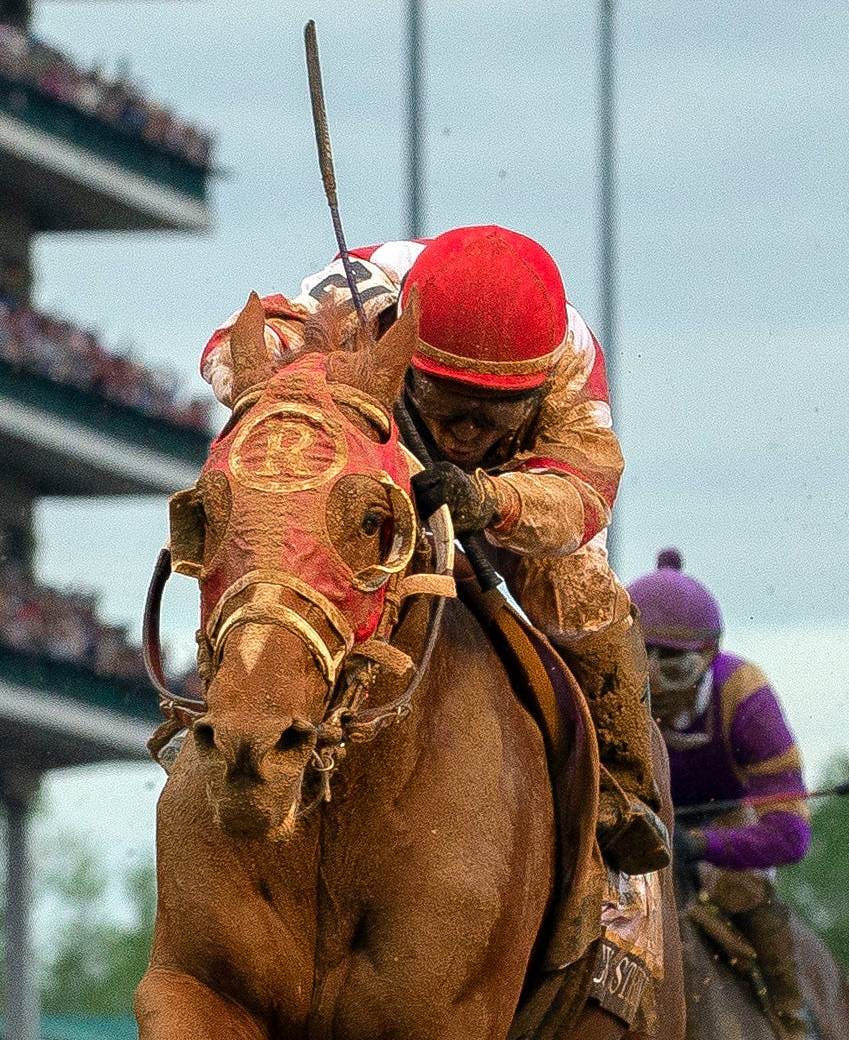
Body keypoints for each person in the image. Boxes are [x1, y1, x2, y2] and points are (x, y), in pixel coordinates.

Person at [200, 226, 669, 875]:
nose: (466, 430)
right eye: (449, 404)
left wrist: (489, 498)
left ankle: (624, 783)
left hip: (514, 495)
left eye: (492, 414)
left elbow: (584, 493)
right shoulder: (365, 291)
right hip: (374, 466)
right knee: (274, 521)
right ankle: (233, 707)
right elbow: (233, 341)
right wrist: (282, 380)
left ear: (534, 389)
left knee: (583, 589)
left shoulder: (569, 353)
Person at [629, 549, 840, 1040]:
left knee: (747, 894)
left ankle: (797, 1038)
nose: (651, 682)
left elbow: (791, 835)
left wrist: (698, 847)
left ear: (709, 656)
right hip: (634, 818)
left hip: (720, 829)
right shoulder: (600, 683)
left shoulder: (745, 699)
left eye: (670, 665)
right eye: (637, 659)